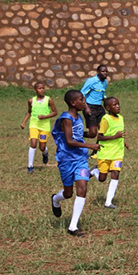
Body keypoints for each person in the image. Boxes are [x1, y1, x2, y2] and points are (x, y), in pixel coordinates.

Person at [50, 90, 101, 237]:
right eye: (81, 100)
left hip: (80, 159)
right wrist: (90, 145)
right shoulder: (66, 118)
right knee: (68, 193)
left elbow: (77, 134)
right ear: (73, 103)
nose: (84, 101)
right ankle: (55, 199)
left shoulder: (78, 117)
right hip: (66, 159)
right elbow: (69, 141)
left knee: (82, 188)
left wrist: (89, 131)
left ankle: (73, 226)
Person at [93, 97, 129, 209]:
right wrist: (114, 137)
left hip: (118, 153)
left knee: (116, 174)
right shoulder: (105, 119)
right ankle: (95, 171)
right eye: (114, 105)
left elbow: (120, 134)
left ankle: (108, 202)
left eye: (118, 104)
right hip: (105, 153)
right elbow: (99, 137)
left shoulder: (121, 118)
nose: (118, 106)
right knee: (102, 178)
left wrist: (124, 142)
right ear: (108, 108)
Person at [21, 82, 57, 174]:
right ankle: (30, 166)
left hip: (44, 126)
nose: (42, 90)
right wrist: (24, 122)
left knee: (42, 146)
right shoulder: (31, 101)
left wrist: (45, 117)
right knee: (33, 143)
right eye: (39, 88)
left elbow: (55, 112)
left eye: (43, 88)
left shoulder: (49, 100)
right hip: (34, 125)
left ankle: (45, 153)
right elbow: (29, 112)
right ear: (35, 90)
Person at [81, 64, 108, 139]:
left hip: (99, 107)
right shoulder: (91, 81)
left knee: (103, 130)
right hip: (90, 107)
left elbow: (103, 93)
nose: (105, 73)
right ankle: (76, 134)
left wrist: (108, 102)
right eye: (103, 71)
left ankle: (97, 149)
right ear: (98, 72)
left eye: (106, 71)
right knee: (92, 133)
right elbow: (82, 94)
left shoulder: (105, 82)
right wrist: (86, 108)